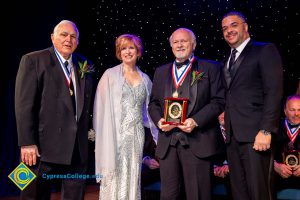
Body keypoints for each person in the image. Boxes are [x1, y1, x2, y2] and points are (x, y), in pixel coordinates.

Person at [15, 20, 95, 200]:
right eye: (63, 35)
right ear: (52, 37)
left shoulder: (85, 64)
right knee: (29, 194)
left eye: (73, 36)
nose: (68, 39)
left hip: (77, 150)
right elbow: (24, 105)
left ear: (78, 41)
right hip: (37, 149)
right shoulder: (32, 60)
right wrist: (26, 142)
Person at [148, 27, 225, 200]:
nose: (179, 45)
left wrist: (196, 121)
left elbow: (219, 101)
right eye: (175, 42)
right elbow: (153, 103)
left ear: (194, 44)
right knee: (168, 195)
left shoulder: (211, 67)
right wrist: (159, 121)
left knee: (197, 195)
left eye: (184, 41)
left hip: (198, 141)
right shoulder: (160, 71)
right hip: (168, 143)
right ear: (171, 46)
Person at [220, 11, 283, 200]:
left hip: (257, 136)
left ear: (245, 27)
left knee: (259, 192)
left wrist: (266, 130)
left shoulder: (264, 50)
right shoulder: (226, 60)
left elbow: (274, 91)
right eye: (224, 28)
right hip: (233, 137)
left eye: (234, 25)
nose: (229, 30)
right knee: (239, 192)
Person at [93, 34, 158, 200]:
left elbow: (149, 112)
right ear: (119, 52)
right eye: (123, 48)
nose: (127, 52)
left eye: (131, 48)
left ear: (138, 52)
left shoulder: (146, 79)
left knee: (132, 174)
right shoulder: (109, 75)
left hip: (136, 135)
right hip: (115, 135)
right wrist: (101, 136)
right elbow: (100, 109)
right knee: (114, 174)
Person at [274, 95, 300, 193]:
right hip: (278, 177)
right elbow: (263, 156)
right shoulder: (274, 128)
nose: (296, 113)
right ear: (285, 111)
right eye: (292, 110)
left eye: (299, 110)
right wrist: (275, 166)